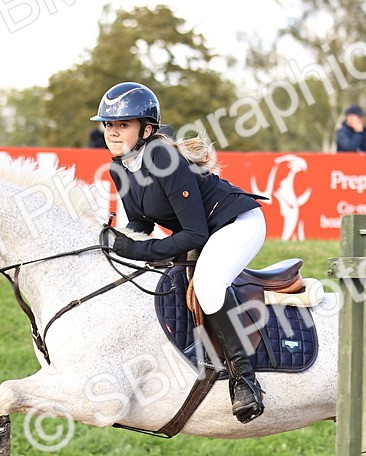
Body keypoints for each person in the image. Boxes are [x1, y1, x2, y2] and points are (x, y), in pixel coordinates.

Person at [92, 81, 266, 424]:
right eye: (108, 124)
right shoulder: (119, 167)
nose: (112, 131)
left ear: (146, 130)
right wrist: (114, 241)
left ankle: (245, 380)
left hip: (237, 224)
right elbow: (140, 223)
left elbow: (194, 233)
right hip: (205, 232)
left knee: (208, 284)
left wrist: (139, 250)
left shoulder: (163, 156)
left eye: (123, 124)